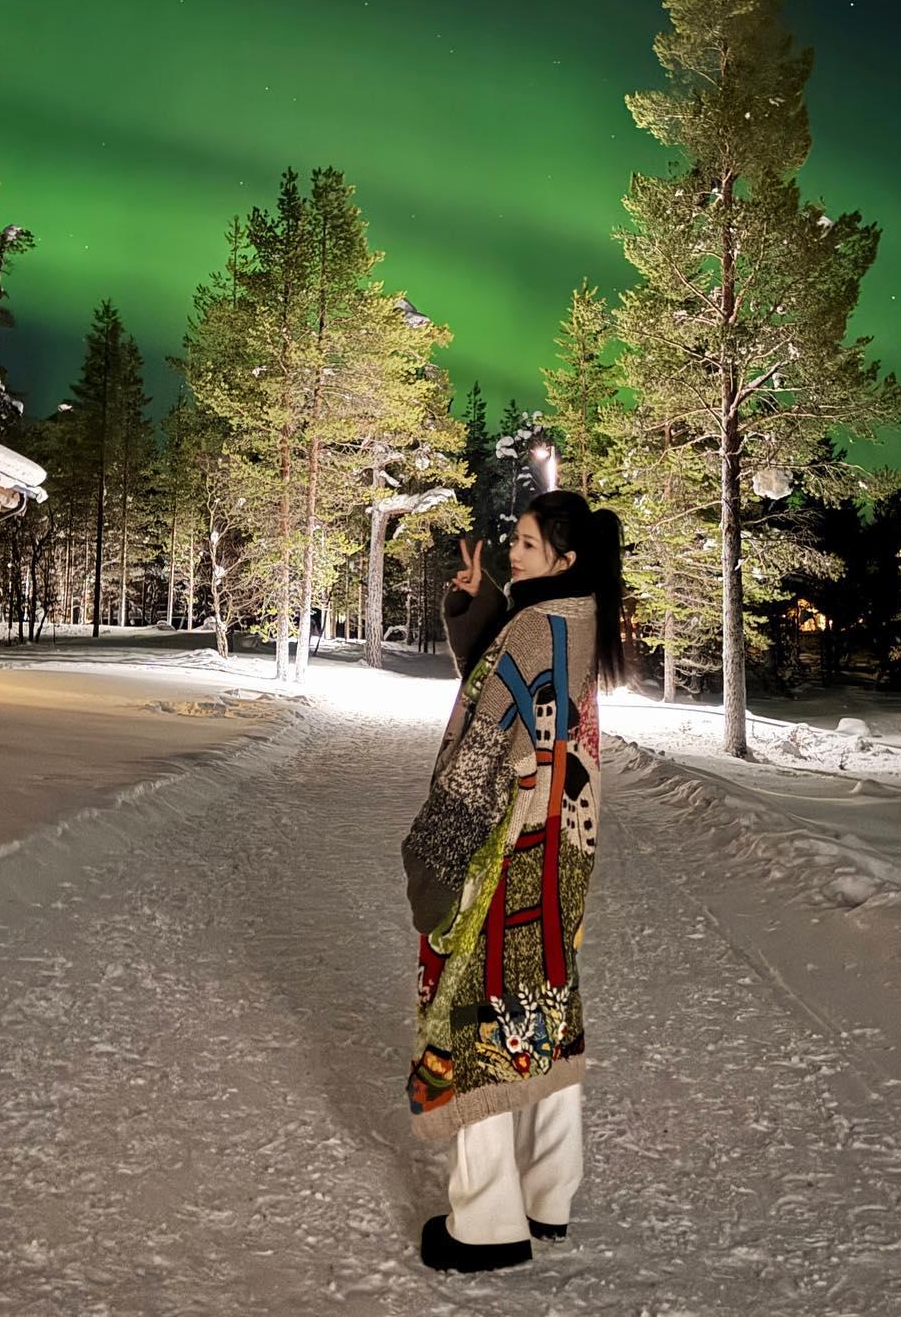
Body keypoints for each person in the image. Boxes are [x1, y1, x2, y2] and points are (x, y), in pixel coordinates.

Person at [402, 490, 626, 1273]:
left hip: (506, 844)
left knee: (479, 1014)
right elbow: (527, 695)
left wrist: (436, 853)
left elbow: (484, 729)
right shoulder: (582, 618)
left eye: (527, 544)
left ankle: (487, 1220)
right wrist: (484, 606)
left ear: (564, 559)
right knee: (545, 1005)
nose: (514, 551)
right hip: (561, 846)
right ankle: (548, 1195)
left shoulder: (533, 627)